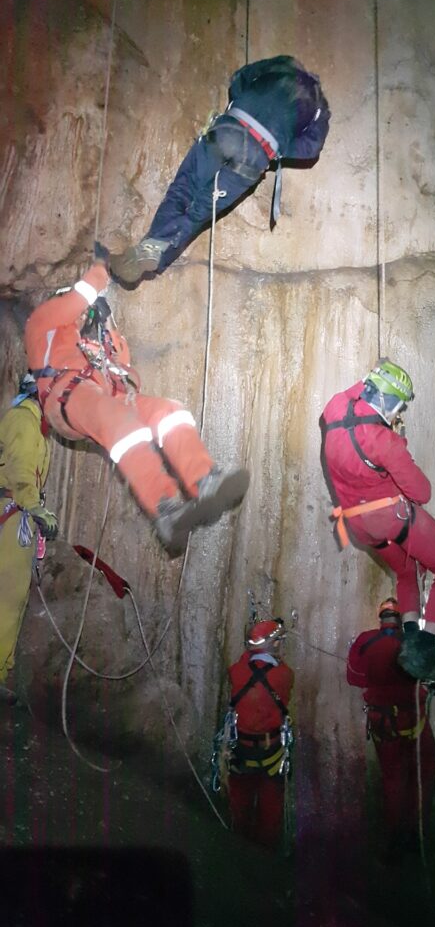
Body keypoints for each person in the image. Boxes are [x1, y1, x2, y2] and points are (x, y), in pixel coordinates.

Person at [24, 259, 249, 555]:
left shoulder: (88, 346)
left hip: (107, 397)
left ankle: (204, 479)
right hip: (68, 395)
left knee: (170, 411)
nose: (83, 316)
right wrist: (101, 269)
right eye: (81, 312)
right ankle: (164, 508)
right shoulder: (42, 322)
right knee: (121, 423)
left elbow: (124, 366)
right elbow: (81, 295)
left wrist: (107, 329)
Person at [109, 55, 330, 286]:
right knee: (198, 213)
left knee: (182, 189)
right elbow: (312, 148)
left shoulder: (285, 64)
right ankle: (150, 256)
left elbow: (241, 77)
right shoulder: (319, 106)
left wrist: (240, 106)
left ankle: (146, 253)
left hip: (227, 131)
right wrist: (277, 148)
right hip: (254, 156)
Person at [321, 356, 435, 686]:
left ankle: (410, 634)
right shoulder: (383, 442)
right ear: (388, 401)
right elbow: (422, 492)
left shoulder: (335, 408)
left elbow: (355, 392)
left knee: (407, 570)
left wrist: (377, 374)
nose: (398, 414)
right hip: (391, 518)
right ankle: (426, 648)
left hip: (358, 525)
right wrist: (400, 449)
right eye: (398, 407)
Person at [347, 598, 435, 858]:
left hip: (384, 722)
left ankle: (394, 841)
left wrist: (378, 678)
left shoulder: (366, 640)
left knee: (393, 780)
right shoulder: (413, 641)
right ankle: (416, 836)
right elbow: (431, 672)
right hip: (414, 720)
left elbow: (354, 677)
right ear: (402, 618)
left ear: (381, 618)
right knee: (423, 776)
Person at [0, 373, 58, 702]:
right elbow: (22, 473)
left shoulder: (32, 423)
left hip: (16, 514)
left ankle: (3, 669)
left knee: (14, 594)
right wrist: (35, 508)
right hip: (10, 514)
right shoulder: (23, 420)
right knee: (7, 596)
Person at [224, 619, 294, 850]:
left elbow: (241, 664)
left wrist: (253, 650)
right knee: (270, 812)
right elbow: (282, 678)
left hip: (241, 751)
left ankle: (238, 848)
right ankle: (265, 855)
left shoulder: (237, 671)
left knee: (240, 807)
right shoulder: (284, 675)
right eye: (278, 641)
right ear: (272, 644)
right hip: (270, 752)